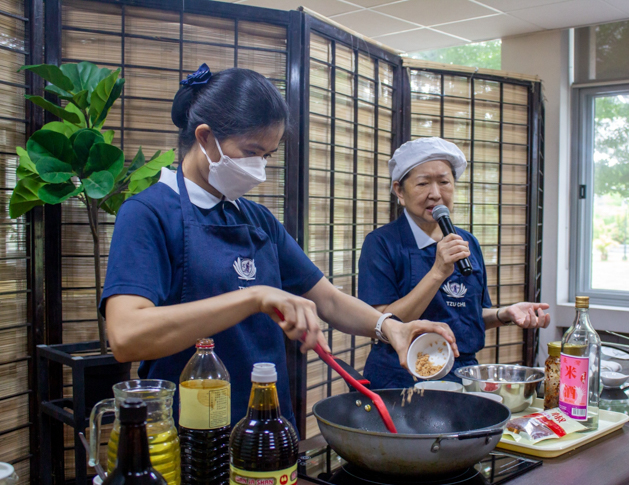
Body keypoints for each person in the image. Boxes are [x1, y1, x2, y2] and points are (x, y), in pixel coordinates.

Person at [100, 65, 457, 428]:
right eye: (251, 151)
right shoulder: (148, 213)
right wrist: (254, 297)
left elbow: (329, 300)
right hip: (191, 431)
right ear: (205, 138)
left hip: (266, 422)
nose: (260, 168)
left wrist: (389, 327)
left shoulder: (258, 220)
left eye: (267, 155)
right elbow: (127, 336)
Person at [358, 137, 550, 389]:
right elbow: (381, 323)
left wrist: (505, 314)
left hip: (462, 375)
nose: (435, 194)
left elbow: (468, 314)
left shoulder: (466, 242)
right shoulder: (381, 243)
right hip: (401, 377)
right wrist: (438, 271)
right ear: (399, 191)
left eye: (444, 182)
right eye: (423, 183)